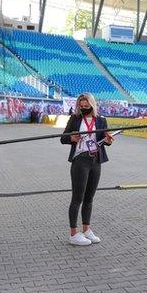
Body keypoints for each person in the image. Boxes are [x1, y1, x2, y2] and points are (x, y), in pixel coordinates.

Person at [61, 93, 114, 246]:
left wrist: (108, 141)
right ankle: (73, 233)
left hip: (96, 160)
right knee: (77, 197)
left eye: (86, 106)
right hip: (80, 160)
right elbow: (63, 138)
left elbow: (104, 139)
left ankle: (87, 229)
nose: (83, 108)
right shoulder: (75, 119)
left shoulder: (101, 120)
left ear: (92, 105)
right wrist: (71, 138)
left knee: (89, 198)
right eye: (81, 106)